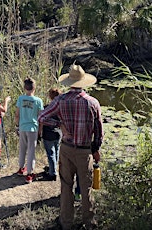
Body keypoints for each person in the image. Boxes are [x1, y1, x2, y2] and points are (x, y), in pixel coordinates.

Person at [38, 64, 103, 230]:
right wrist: (95, 150)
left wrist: (59, 124)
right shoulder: (93, 103)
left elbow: (42, 116)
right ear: (84, 82)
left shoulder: (61, 100)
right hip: (85, 151)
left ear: (69, 82)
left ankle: (66, 222)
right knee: (86, 188)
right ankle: (89, 223)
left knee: (66, 186)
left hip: (66, 149)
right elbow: (99, 131)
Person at [15, 78, 44, 183]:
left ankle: (21, 168)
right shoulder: (38, 101)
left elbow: (17, 114)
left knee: (22, 148)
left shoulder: (20, 99)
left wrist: (17, 126)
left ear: (24, 88)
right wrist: (40, 130)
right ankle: (30, 173)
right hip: (33, 128)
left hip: (22, 127)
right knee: (31, 150)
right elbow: (41, 117)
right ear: (34, 88)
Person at [39, 87, 62, 181]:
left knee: (50, 153)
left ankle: (52, 173)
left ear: (50, 96)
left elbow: (41, 121)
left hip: (48, 134)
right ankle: (53, 169)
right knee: (56, 151)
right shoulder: (61, 109)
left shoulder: (46, 108)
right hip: (58, 133)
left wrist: (40, 132)